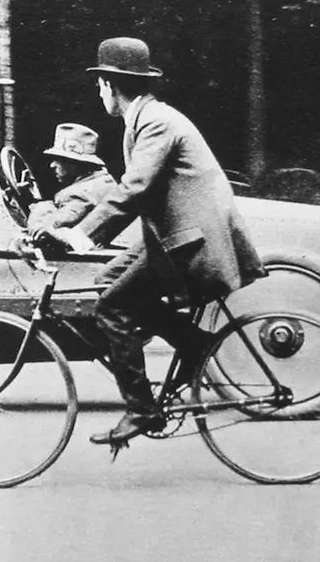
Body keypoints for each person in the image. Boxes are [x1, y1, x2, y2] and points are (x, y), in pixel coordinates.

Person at [41, 37, 264, 446]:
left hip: (192, 242)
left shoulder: (156, 123)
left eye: (100, 85)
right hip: (179, 235)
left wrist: (79, 234)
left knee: (111, 307)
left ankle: (142, 409)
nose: (99, 93)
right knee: (108, 281)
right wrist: (84, 236)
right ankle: (194, 345)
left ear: (109, 85)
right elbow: (136, 192)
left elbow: (135, 189)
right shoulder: (146, 119)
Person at [24, 123, 116, 235]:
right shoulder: (104, 181)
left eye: (59, 160)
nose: (52, 165)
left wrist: (40, 205)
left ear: (74, 163)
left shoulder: (81, 194)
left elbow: (43, 230)